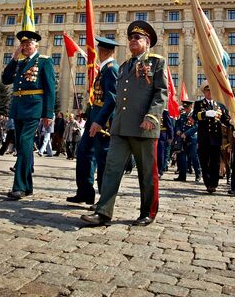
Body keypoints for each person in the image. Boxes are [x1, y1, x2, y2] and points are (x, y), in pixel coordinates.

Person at [81, 20, 167, 226]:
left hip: (143, 127)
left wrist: (151, 116)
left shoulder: (157, 62)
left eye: (137, 37)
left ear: (147, 41)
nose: (132, 41)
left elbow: (161, 92)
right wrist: (100, 121)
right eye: (130, 38)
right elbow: (116, 98)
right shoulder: (125, 66)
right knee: (112, 168)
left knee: (147, 173)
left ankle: (148, 212)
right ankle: (103, 212)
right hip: (120, 127)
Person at [1, 27, 55, 200]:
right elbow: (5, 79)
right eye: (22, 44)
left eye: (28, 43)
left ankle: (19, 187)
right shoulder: (21, 63)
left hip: (33, 108)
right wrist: (14, 58)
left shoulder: (44, 61)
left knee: (24, 144)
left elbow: (50, 89)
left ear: (36, 45)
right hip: (18, 107)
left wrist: (48, 113)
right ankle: (28, 186)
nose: (24, 46)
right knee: (22, 146)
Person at [68, 37, 120, 205]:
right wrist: (88, 114)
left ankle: (104, 199)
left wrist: (99, 120)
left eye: (100, 49)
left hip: (103, 122)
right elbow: (98, 97)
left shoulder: (112, 69)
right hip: (94, 117)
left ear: (105, 51)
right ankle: (85, 192)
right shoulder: (104, 69)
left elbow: (111, 99)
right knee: (84, 152)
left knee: (102, 158)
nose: (99, 52)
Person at [192, 81, 230, 193]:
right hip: (204, 138)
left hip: (216, 138)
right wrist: (205, 114)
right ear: (204, 92)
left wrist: (232, 123)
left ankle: (213, 184)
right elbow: (195, 116)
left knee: (215, 162)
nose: (210, 93)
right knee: (204, 162)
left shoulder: (220, 105)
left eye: (212, 91)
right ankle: (207, 182)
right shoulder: (199, 104)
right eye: (208, 91)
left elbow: (225, 119)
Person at [173, 101, 200, 182]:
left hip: (192, 139)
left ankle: (198, 174)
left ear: (191, 107)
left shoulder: (195, 115)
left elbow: (196, 126)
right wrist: (178, 130)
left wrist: (186, 133)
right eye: (184, 108)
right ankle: (182, 175)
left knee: (193, 156)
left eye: (187, 107)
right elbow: (177, 124)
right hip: (182, 139)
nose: (186, 109)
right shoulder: (182, 115)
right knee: (182, 158)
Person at [157, 109, 174, 178]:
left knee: (160, 154)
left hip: (161, 135)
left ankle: (159, 171)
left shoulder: (164, 112)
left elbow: (169, 125)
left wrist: (170, 136)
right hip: (151, 135)